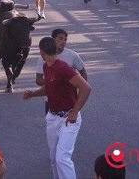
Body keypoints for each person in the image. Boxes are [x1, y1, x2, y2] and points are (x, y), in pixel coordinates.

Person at [24, 37, 91, 179]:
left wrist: (74, 112)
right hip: (52, 117)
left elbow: (86, 87)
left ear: (42, 52)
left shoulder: (63, 68)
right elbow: (49, 87)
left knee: (62, 158)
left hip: (68, 119)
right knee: (54, 158)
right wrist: (33, 94)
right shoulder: (46, 67)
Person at [36, 29, 88, 114]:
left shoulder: (72, 55)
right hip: (50, 101)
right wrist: (54, 82)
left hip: (69, 102)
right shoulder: (43, 58)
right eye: (60, 38)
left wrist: (78, 90)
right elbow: (38, 80)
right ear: (53, 39)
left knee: (69, 125)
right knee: (51, 125)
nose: (63, 42)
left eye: (65, 39)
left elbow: (83, 72)